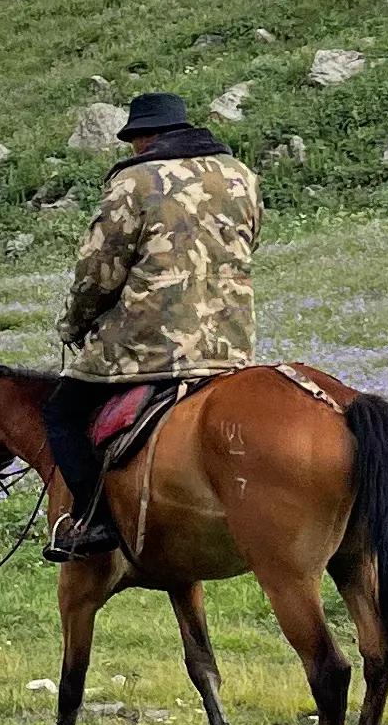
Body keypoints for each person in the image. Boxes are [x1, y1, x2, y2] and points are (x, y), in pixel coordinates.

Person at [47, 90, 263, 556]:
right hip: (230, 344)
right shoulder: (241, 175)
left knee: (61, 413)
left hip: (148, 344)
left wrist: (73, 324)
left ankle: (96, 520)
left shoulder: (134, 182)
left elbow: (99, 271)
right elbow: (250, 243)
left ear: (142, 138)